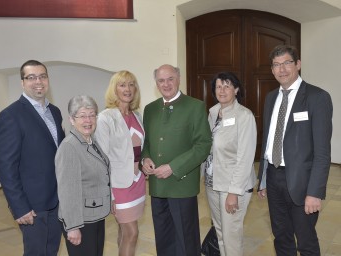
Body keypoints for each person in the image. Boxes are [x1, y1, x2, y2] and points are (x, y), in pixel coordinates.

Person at [257, 45, 333, 256]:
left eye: (287, 63)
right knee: (281, 237)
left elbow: (322, 152)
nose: (282, 69)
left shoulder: (317, 97)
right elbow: (268, 140)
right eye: (276, 65)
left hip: (303, 183)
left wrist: (315, 192)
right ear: (272, 70)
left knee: (306, 241)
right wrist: (263, 178)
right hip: (273, 178)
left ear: (298, 65)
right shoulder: (271, 97)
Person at [0, 60, 65, 255]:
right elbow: (6, 167)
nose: (38, 81)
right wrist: (19, 207)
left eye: (42, 76)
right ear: (22, 82)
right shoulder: (11, 115)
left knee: (51, 250)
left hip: (56, 200)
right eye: (31, 77)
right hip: (32, 206)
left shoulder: (55, 112)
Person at [141, 64, 212, 256]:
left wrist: (173, 167)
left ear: (179, 79)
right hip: (157, 184)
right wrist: (145, 158)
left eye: (170, 79)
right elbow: (146, 141)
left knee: (186, 239)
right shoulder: (150, 109)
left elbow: (203, 145)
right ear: (156, 83)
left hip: (182, 184)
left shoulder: (195, 106)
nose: (166, 84)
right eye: (161, 80)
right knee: (163, 237)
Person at [204, 72, 257, 256]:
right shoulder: (212, 113)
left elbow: (245, 157)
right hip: (213, 183)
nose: (222, 90)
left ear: (236, 90)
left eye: (227, 86)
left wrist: (234, 192)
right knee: (219, 232)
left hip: (232, 186)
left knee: (231, 236)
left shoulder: (244, 116)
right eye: (218, 86)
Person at [95, 71, 145, 256]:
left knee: (124, 232)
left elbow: (139, 149)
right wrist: (109, 195)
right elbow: (101, 160)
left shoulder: (137, 116)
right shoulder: (105, 118)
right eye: (122, 85)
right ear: (114, 89)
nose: (128, 89)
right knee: (132, 233)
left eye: (131, 84)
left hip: (137, 181)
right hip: (119, 186)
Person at [55, 95, 111, 256]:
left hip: (95, 216)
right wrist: (72, 227)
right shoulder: (69, 147)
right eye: (82, 116)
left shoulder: (89, 140)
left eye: (92, 115)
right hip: (81, 221)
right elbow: (67, 191)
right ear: (72, 120)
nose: (88, 120)